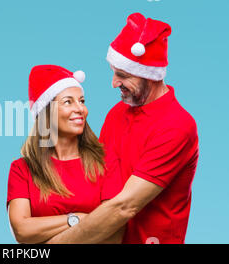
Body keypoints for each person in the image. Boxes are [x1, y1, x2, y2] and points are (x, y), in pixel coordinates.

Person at [45, 13, 199, 244]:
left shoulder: (176, 126)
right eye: (114, 72)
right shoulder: (117, 113)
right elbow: (98, 180)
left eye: (122, 75)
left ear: (149, 75)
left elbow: (124, 206)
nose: (114, 83)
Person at [6, 65, 124, 244]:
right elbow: (22, 231)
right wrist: (77, 219)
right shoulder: (22, 169)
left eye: (82, 101)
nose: (81, 109)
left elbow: (114, 232)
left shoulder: (105, 161)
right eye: (68, 102)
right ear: (47, 113)